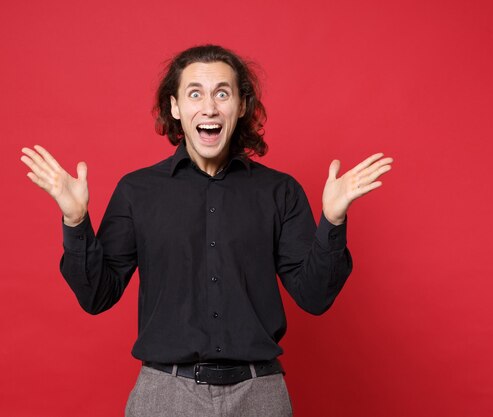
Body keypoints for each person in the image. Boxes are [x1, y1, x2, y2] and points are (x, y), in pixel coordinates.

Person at [20, 44, 393, 416]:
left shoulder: (280, 191)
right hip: (165, 395)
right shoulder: (137, 191)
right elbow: (96, 296)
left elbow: (314, 297)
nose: (209, 107)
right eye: (195, 93)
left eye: (222, 93)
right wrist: (75, 221)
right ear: (176, 108)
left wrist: (333, 220)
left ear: (241, 106)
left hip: (259, 395)